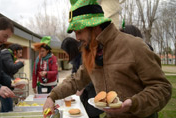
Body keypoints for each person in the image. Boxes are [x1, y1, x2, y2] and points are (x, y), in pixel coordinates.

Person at [43, 0, 172, 118]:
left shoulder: (134, 46)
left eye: (79, 31)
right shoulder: (92, 52)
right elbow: (76, 80)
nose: (76, 37)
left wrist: (134, 103)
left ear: (95, 26)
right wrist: (52, 96)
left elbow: (162, 88)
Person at [61, 37, 103, 118]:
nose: (65, 55)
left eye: (65, 52)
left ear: (71, 50)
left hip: (92, 93)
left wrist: (82, 87)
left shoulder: (85, 56)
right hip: (84, 96)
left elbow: (94, 76)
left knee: (92, 114)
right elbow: (74, 75)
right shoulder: (75, 60)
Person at [0, 44, 24, 112]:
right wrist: (20, 63)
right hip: (4, 86)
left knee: (4, 109)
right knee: (8, 109)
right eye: (20, 52)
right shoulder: (6, 54)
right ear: (15, 51)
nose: (21, 55)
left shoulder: (8, 55)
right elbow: (11, 68)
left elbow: (11, 71)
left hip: (6, 84)